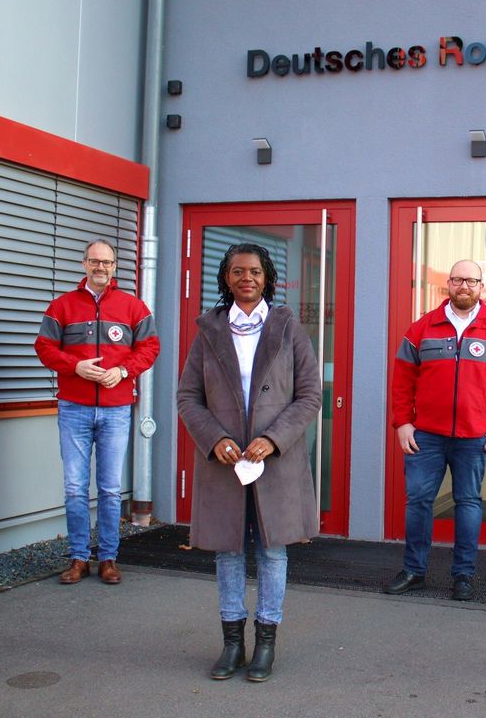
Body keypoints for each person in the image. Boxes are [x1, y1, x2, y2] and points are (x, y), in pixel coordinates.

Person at [177, 243, 321, 682]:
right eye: (238, 271)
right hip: (225, 461)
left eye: (255, 272)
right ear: (226, 277)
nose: (247, 278)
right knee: (228, 552)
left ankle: (266, 645)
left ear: (267, 277)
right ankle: (232, 643)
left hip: (274, 461)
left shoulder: (288, 327)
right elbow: (188, 397)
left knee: (272, 551)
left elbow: (310, 394)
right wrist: (214, 437)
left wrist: (273, 439)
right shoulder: (209, 331)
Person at [385, 259, 486, 601]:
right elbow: (402, 380)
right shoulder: (422, 328)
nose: (464, 286)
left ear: (481, 287)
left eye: (471, 281)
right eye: (458, 280)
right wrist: (402, 422)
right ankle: (414, 570)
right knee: (418, 501)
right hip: (426, 435)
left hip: (474, 435)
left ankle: (463, 575)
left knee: (468, 502)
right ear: (448, 284)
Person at [34, 239, 160, 586]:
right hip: (74, 407)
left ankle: (108, 558)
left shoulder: (133, 307)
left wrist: (122, 372)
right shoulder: (62, 306)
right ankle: (78, 557)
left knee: (108, 487)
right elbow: (44, 347)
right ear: (84, 264)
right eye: (94, 261)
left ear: (115, 266)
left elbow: (150, 347)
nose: (100, 267)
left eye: (106, 262)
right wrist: (76, 367)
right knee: (75, 487)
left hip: (116, 409)